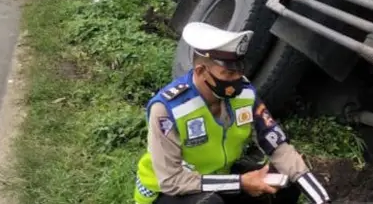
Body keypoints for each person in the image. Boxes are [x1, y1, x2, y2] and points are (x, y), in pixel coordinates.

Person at [133, 22, 332, 204]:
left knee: (283, 183)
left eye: (239, 70)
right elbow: (171, 180)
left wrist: (320, 197)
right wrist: (240, 183)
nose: (237, 78)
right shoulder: (168, 108)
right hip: (168, 192)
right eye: (228, 73)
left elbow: (277, 145)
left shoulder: (244, 94)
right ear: (201, 71)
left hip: (219, 177)